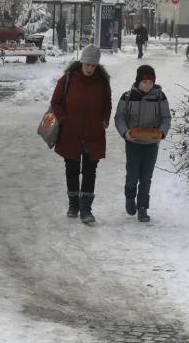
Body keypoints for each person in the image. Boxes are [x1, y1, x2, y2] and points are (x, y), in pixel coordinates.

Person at [50, 45, 113, 225]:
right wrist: (63, 119)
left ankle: (86, 208)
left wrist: (104, 121)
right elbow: (55, 102)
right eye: (87, 65)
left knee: (89, 171)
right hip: (71, 133)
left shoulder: (102, 82)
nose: (90, 69)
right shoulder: (68, 79)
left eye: (93, 66)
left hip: (94, 134)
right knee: (71, 169)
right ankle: (73, 204)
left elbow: (107, 104)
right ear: (81, 62)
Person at [114, 65, 171, 222]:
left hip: (152, 143)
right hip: (133, 141)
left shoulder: (160, 97)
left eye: (150, 82)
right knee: (133, 174)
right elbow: (119, 117)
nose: (147, 85)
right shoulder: (127, 96)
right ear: (138, 81)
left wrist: (161, 132)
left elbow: (166, 118)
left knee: (146, 176)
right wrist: (125, 132)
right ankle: (130, 196)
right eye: (144, 82)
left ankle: (143, 207)